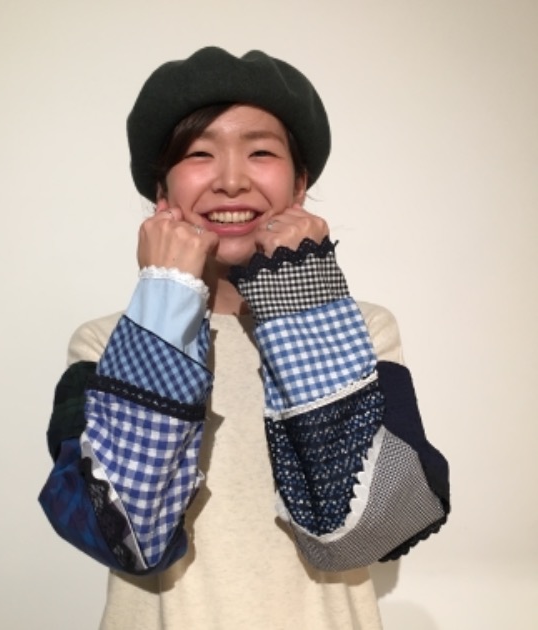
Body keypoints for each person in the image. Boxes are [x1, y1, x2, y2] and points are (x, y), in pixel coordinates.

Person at [39, 47, 450, 629]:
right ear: (162, 192)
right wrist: (166, 303)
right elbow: (123, 534)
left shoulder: (365, 329)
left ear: (300, 184)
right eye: (199, 154)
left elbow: (370, 527)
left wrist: (301, 297)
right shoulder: (105, 343)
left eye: (261, 152)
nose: (231, 180)